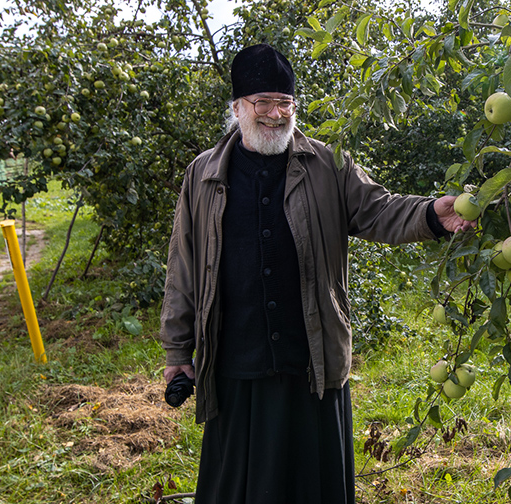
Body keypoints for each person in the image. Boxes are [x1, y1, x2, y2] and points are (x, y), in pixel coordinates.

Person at [159, 43, 476, 504]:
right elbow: (183, 264)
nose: (274, 114)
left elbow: (378, 210)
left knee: (314, 486)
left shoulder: (328, 164)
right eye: (262, 102)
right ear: (237, 108)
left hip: (312, 356)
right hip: (235, 361)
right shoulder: (203, 174)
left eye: (284, 103)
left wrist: (432, 214)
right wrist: (176, 347)